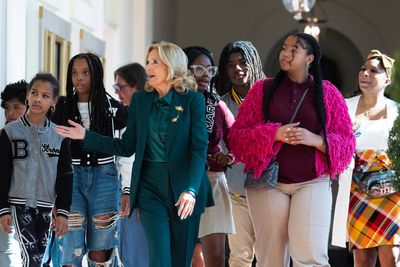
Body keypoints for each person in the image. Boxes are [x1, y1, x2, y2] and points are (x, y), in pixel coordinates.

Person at [55, 41, 213, 267]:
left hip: (184, 188)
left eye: (155, 62)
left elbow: (199, 150)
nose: (148, 67)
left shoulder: (193, 100)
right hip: (150, 188)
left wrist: (191, 189)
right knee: (159, 259)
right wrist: (86, 136)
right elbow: (126, 146)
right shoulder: (141, 100)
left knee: (179, 260)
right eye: (148, 61)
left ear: (172, 66)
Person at [228, 33, 355, 267]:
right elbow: (237, 137)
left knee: (311, 259)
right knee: (271, 260)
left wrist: (315, 140)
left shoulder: (328, 93)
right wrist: (273, 134)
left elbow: (347, 143)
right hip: (268, 183)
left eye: (293, 49)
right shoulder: (262, 89)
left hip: (312, 182)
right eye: (284, 48)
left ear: (309, 58)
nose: (285, 53)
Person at [51, 53, 127, 266]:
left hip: (105, 178)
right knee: (69, 246)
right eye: (74, 73)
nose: (79, 78)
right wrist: (53, 194)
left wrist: (127, 189)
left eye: (85, 72)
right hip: (70, 179)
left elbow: (125, 153)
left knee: (101, 247)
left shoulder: (114, 109)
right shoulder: (62, 107)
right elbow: (52, 153)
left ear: (96, 74)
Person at [332, 50, 400, 267]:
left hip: (391, 191)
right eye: (363, 69)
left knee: (391, 256)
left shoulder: (397, 110)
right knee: (362, 258)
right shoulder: (344, 106)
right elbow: (333, 141)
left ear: (387, 79)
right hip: (357, 188)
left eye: (373, 71)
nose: (365, 74)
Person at [0, 73, 73, 267]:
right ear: (28, 96)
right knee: (31, 258)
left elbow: (65, 176)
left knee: (38, 259)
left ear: (54, 101)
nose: (38, 99)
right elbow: (3, 172)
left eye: (45, 96)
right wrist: (3, 208)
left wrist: (63, 212)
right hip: (19, 204)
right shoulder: (10, 132)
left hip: (45, 207)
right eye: (34, 93)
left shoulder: (59, 136)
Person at [183, 46, 236, 267]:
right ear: (184, 70)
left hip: (212, 182)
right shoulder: (170, 103)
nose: (205, 74)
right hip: (180, 182)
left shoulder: (217, 105)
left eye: (210, 69)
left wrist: (230, 157)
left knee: (215, 258)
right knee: (187, 256)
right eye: (198, 68)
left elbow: (238, 141)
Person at [215, 40, 265, 267]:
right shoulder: (220, 105)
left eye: (243, 62)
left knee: (271, 256)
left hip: (269, 190)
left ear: (253, 63)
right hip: (235, 192)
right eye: (231, 64)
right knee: (239, 256)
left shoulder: (270, 98)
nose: (238, 68)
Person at [113, 63, 149, 267]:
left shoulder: (146, 115)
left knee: (136, 254)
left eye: (121, 87)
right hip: (127, 190)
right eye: (115, 87)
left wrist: (129, 191)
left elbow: (130, 160)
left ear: (137, 86)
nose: (117, 93)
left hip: (138, 192)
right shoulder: (123, 115)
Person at [0, 80, 28, 266]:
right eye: (7, 108)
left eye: (16, 107)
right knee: (8, 255)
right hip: (6, 208)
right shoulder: (2, 136)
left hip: (36, 209)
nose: (10, 114)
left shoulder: (46, 136)